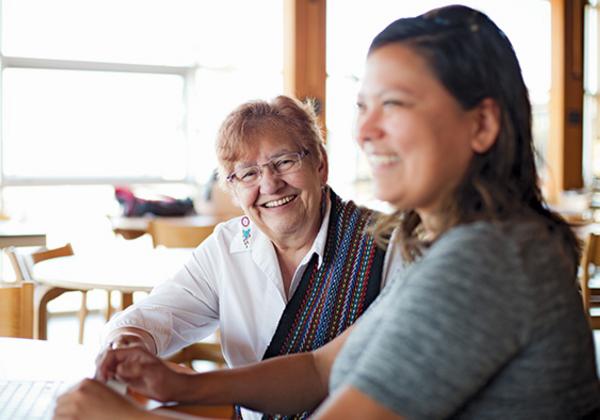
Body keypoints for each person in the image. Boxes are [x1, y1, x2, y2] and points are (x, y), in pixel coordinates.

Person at [55, 5, 600, 420]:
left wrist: (118, 416)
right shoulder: (450, 243)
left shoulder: (486, 263)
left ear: (481, 125)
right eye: (363, 106)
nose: (364, 130)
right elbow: (324, 367)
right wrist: (182, 386)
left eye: (396, 103)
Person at [95, 95, 391, 420]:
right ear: (233, 190)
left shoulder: (384, 243)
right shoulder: (229, 244)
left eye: (284, 162)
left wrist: (179, 385)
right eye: (248, 174)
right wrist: (128, 341)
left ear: (320, 165)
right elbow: (153, 316)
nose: (270, 184)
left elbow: (329, 373)